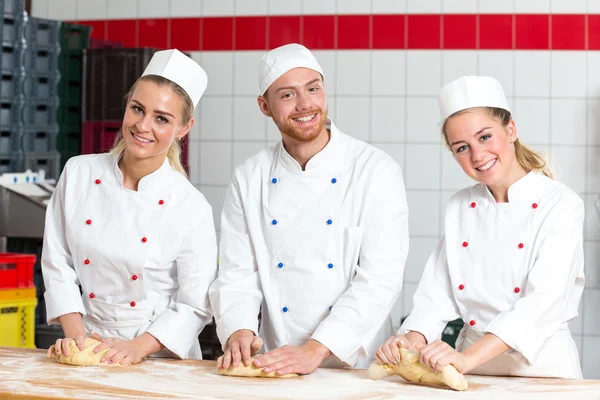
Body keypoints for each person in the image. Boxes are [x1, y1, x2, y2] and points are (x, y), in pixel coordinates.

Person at [209, 43, 410, 376]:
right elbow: (236, 273)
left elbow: (380, 280)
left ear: (324, 91)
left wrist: (315, 351)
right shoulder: (250, 177)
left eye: (312, 89)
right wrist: (240, 330)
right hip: (280, 360)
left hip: (359, 365)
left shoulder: (375, 170)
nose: (305, 105)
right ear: (264, 106)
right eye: (287, 95)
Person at [376, 76, 584, 379]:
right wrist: (409, 341)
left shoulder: (560, 203)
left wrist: (466, 360)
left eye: (485, 137)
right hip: (474, 372)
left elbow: (544, 302)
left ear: (510, 129)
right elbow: (437, 294)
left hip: (542, 369)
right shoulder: (460, 205)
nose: (477, 155)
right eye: (462, 147)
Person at [42, 49, 218, 365]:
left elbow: (194, 305)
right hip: (89, 339)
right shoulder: (79, 173)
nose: (142, 126)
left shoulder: (191, 207)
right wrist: (76, 339)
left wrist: (138, 348)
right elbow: (58, 262)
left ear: (183, 128)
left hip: (159, 354)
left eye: (161, 118)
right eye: (137, 109)